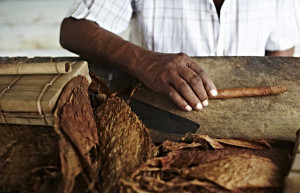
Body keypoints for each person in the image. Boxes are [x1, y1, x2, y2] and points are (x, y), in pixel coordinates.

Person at [60, 0, 300, 111]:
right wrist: (144, 61)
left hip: (246, 113)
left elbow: (281, 48)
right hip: (158, 106)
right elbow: (73, 30)